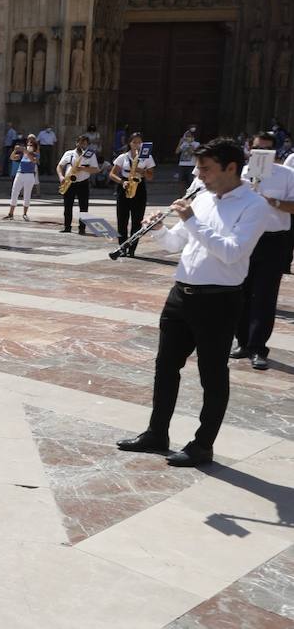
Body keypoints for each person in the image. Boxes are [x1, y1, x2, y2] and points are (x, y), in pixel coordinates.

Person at [117, 139, 266, 467]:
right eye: (199, 168)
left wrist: (191, 221)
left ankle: (203, 445)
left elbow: (231, 252)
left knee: (212, 374)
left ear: (231, 168)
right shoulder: (202, 198)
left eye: (206, 168)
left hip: (218, 301)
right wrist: (157, 230)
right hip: (181, 294)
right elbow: (176, 245)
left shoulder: (254, 206)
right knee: (165, 366)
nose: (199, 174)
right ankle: (157, 433)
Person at [230, 132, 294, 371]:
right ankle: (242, 342)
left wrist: (271, 202)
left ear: (275, 153)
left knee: (265, 296)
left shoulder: (287, 175)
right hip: (245, 238)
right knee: (241, 292)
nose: (261, 154)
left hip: (273, 240)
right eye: (257, 149)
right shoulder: (241, 173)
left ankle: (258, 348)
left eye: (266, 150)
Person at [108, 133, 157, 257]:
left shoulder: (147, 157)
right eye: (134, 142)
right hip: (124, 186)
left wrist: (142, 171)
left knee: (137, 220)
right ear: (130, 143)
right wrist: (122, 182)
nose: (137, 145)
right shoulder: (122, 157)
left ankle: (132, 249)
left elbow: (151, 176)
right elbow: (112, 174)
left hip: (139, 187)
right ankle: (122, 247)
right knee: (122, 219)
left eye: (139, 142)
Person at [56, 135, 100, 234]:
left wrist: (82, 168)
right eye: (80, 142)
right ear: (77, 143)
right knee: (67, 206)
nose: (82, 145)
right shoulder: (69, 153)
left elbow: (96, 169)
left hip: (83, 182)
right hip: (69, 182)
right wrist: (61, 177)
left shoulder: (90, 155)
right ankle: (67, 227)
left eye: (85, 143)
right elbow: (59, 166)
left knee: (83, 207)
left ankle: (82, 228)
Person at [4, 133, 40, 221]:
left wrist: (26, 151)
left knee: (27, 194)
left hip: (29, 175)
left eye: (31, 145)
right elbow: (12, 158)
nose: (29, 145)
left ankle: (24, 213)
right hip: (20, 173)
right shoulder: (23, 154)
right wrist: (15, 151)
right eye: (28, 144)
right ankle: (11, 213)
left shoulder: (35, 154)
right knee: (14, 192)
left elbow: (34, 160)